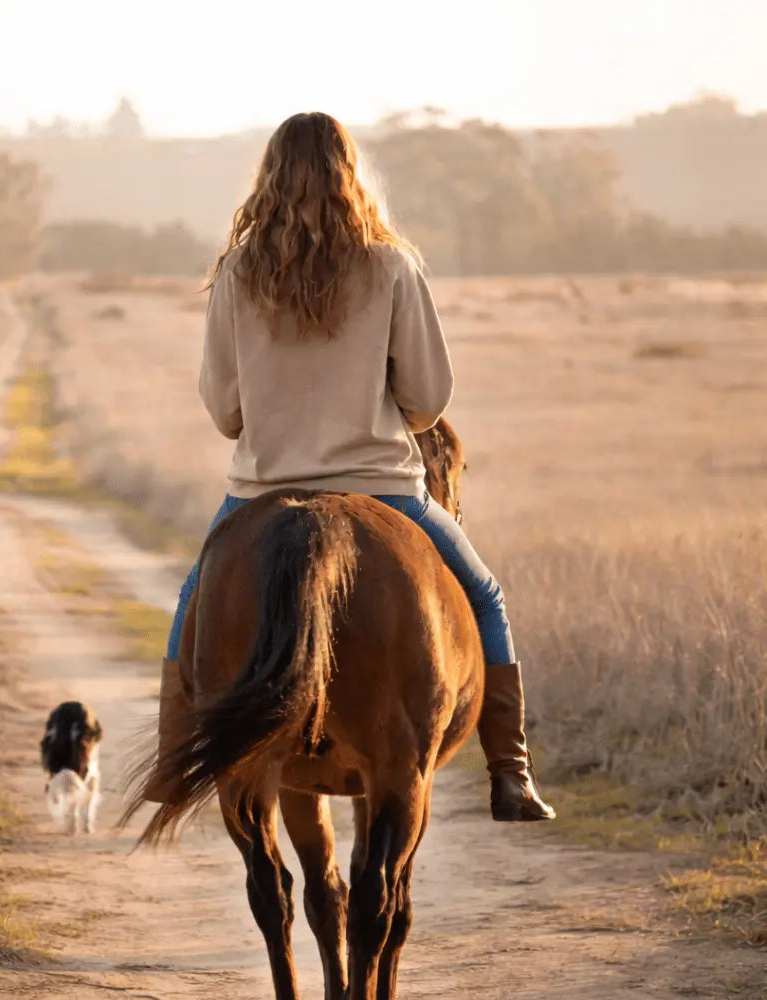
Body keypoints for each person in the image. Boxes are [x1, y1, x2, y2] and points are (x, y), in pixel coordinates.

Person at [153, 111, 554, 822]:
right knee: (485, 598)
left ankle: (171, 757)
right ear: (352, 172)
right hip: (384, 490)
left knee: (194, 600)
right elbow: (428, 401)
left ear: (268, 177)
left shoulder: (238, 273)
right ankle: (510, 772)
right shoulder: (392, 264)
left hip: (261, 493)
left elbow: (225, 412)